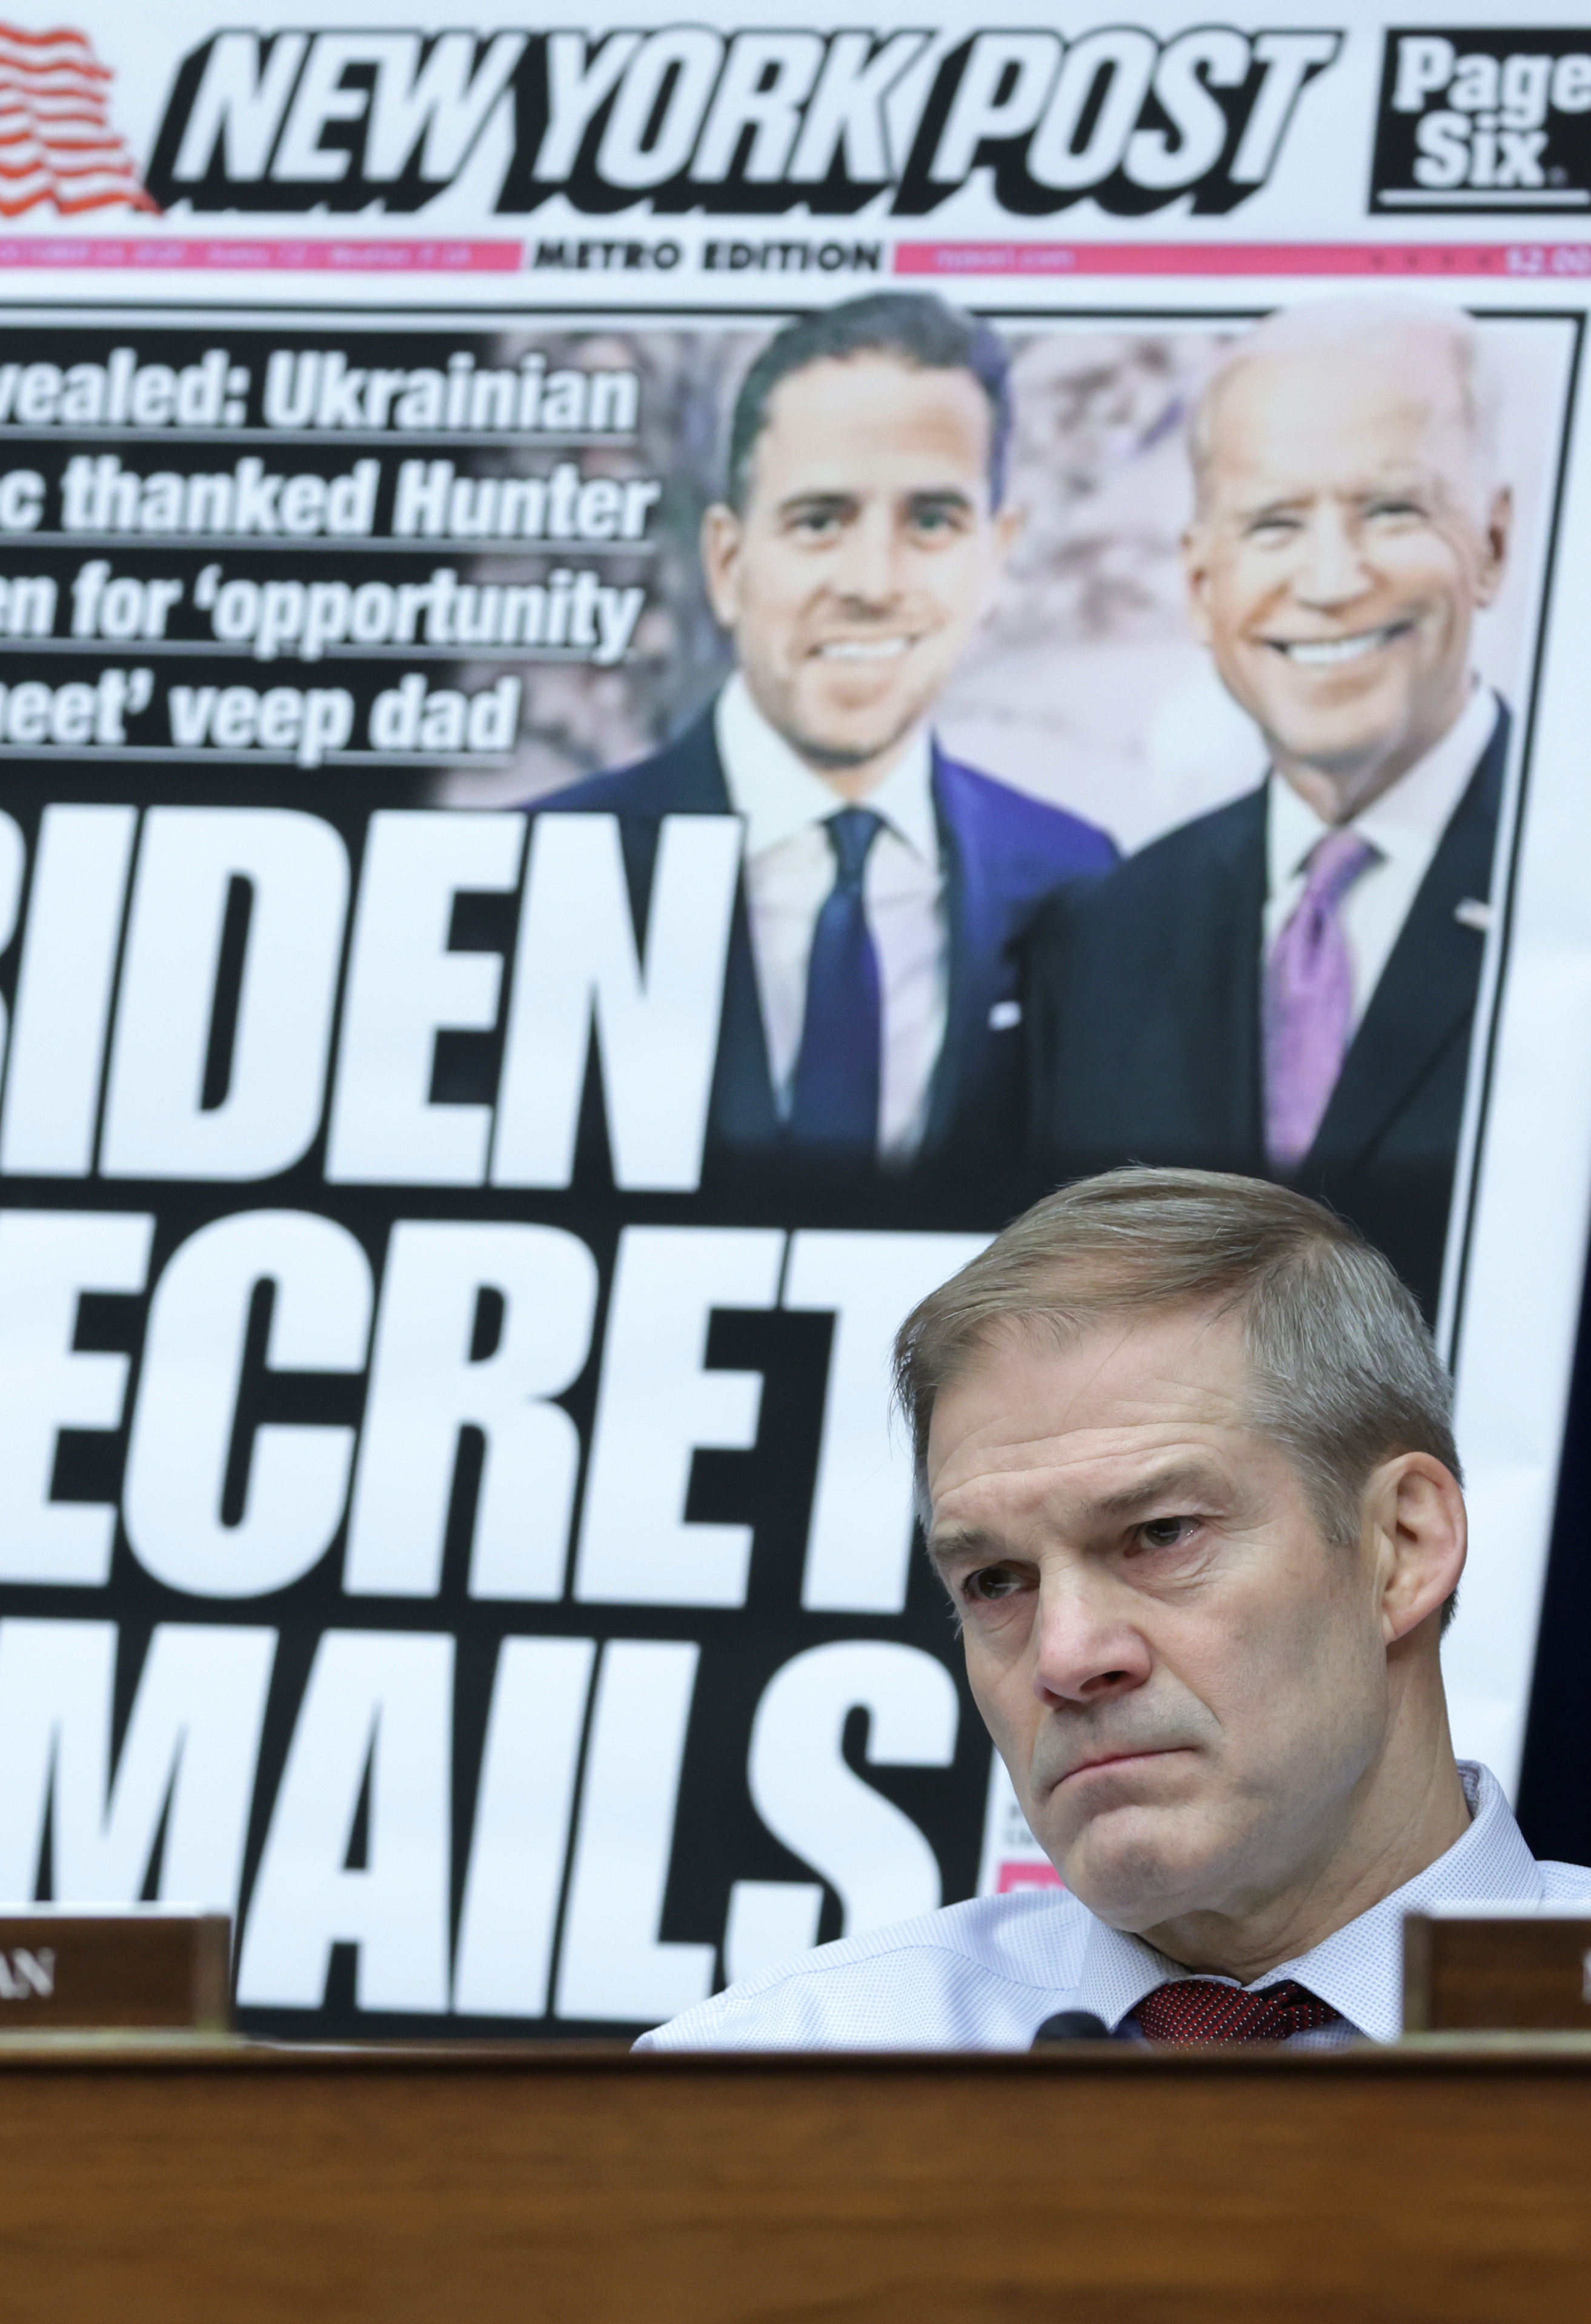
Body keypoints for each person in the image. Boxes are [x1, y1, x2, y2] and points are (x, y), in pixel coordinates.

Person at [643, 1167, 1585, 2050]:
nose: (1065, 1655)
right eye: (996, 1582)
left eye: (1162, 1534)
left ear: (1401, 1550)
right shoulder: (765, 2077)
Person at [536, 290, 1112, 1182]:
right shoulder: (542, 866)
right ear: (727, 564)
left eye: (930, 521)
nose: (871, 582)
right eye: (818, 520)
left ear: (993, 557)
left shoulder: (1076, 880)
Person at [1020, 299, 1513, 1309]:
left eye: (1390, 509)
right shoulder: (1097, 941)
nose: (1331, 580)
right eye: (1274, 523)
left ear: (1492, 544)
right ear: (1201, 584)